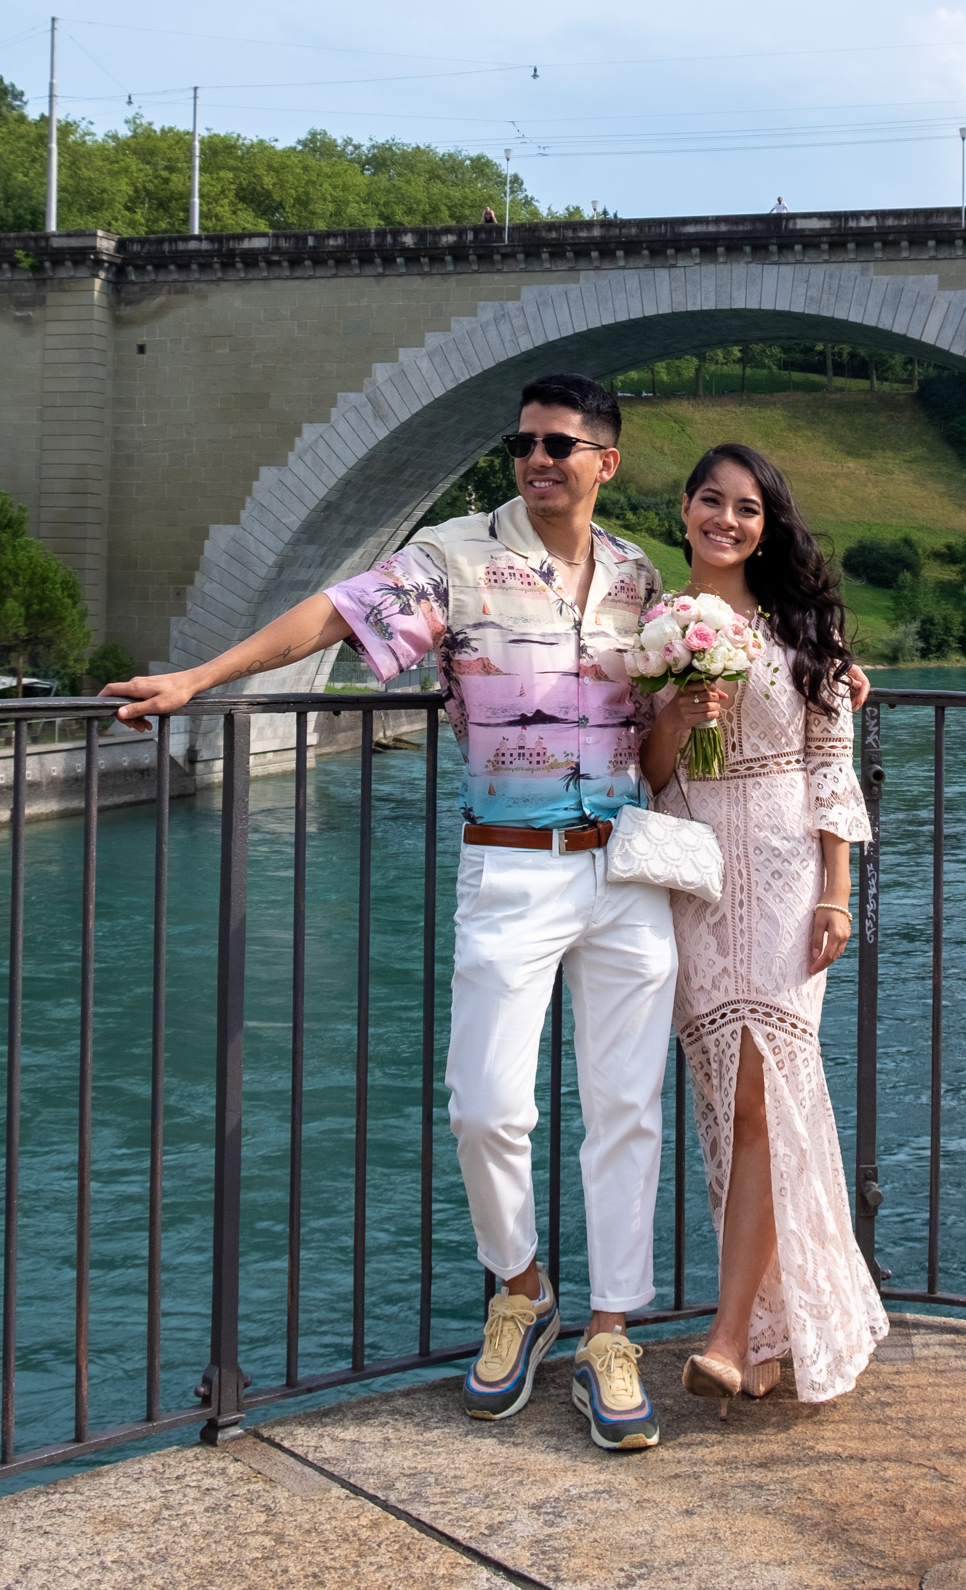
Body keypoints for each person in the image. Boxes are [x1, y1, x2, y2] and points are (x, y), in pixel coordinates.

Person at [104, 374, 679, 1452]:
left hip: (627, 870)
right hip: (510, 867)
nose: (536, 458)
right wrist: (204, 676)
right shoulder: (455, 556)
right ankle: (522, 1288)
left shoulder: (639, 575)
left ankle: (612, 1332)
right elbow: (333, 612)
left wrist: (805, 679)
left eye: (559, 444)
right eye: (523, 443)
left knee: (626, 1109)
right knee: (485, 1106)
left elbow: (663, 722)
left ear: (605, 461)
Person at [639, 443, 887, 1412]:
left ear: (765, 525)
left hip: (786, 876)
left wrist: (837, 889)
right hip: (698, 875)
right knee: (729, 1103)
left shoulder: (807, 629)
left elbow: (830, 765)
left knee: (763, 1093)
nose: (726, 520)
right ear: (685, 509)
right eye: (711, 501)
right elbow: (651, 771)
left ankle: (728, 1335)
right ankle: (774, 1333)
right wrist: (676, 707)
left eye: (746, 508)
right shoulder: (651, 624)